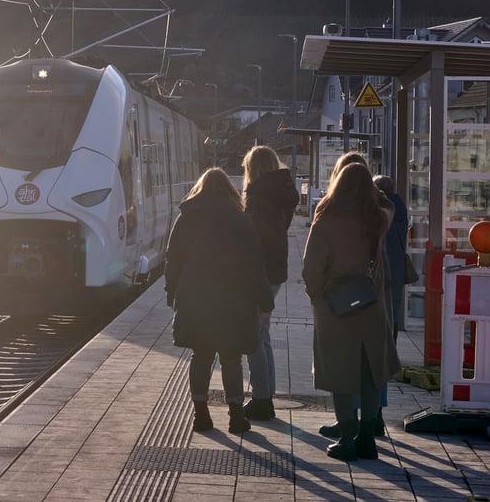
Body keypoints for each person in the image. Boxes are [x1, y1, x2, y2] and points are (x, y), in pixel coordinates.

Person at [303, 162, 401, 461]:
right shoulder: (377, 219)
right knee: (370, 373)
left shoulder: (325, 218)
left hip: (335, 306)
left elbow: (310, 269)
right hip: (371, 304)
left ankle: (346, 439)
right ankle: (367, 440)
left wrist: (317, 295)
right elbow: (387, 201)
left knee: (340, 371)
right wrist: (372, 190)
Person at [165, 168, 274, 434]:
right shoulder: (240, 219)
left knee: (200, 356)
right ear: (229, 190)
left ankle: (200, 415)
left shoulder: (186, 217)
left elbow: (172, 260)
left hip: (195, 298)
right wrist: (264, 301)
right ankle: (236, 417)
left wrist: (172, 295)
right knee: (231, 358)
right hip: (233, 301)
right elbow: (254, 265)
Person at [240, 145, 300, 421]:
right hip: (275, 270)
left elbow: (253, 241)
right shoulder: (280, 194)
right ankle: (266, 395)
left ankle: (262, 399)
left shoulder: (258, 197)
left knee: (253, 336)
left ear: (252, 168)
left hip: (260, 273)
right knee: (261, 335)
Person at [373, 175, 409, 342]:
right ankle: (392, 343)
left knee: (377, 303)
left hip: (380, 262)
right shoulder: (401, 208)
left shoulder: (380, 209)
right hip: (397, 264)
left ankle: (380, 345)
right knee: (394, 303)